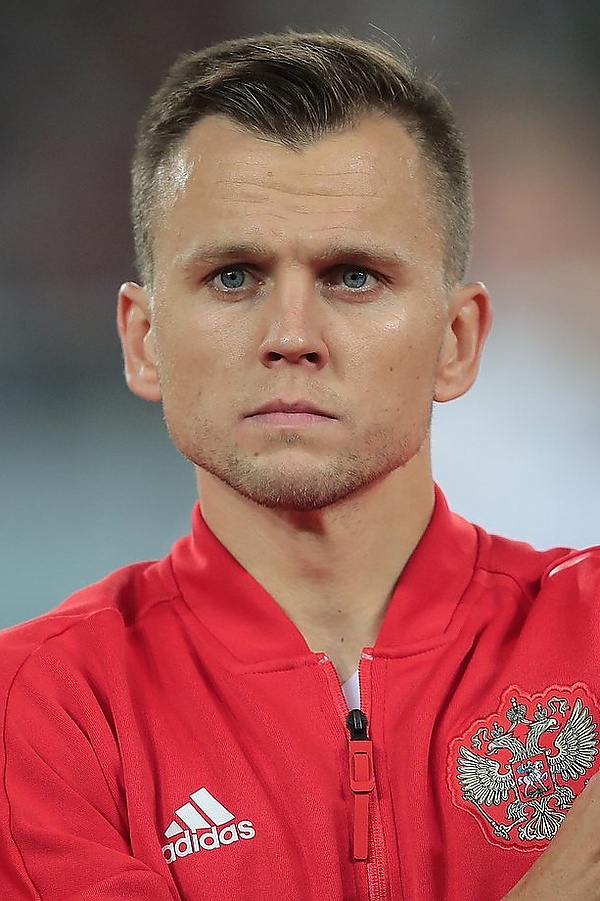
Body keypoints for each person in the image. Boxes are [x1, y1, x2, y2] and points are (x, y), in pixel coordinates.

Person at [1, 30, 599, 901]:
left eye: (352, 276)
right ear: (144, 340)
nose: (291, 335)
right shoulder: (41, 710)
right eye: (234, 276)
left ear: (457, 340)